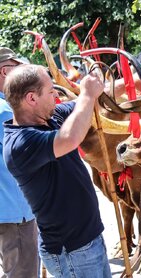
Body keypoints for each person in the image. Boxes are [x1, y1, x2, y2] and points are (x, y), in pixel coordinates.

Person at [3, 64, 111, 277]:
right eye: (51, 91)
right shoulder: (20, 143)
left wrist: (96, 87)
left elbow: (80, 107)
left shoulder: (50, 119)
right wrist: (88, 94)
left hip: (85, 243)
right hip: (71, 252)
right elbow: (70, 138)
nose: (56, 95)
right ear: (32, 99)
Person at [0, 47, 38, 278]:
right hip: (15, 212)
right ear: (5, 72)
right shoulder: (6, 111)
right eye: (18, 70)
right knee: (22, 273)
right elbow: (25, 156)